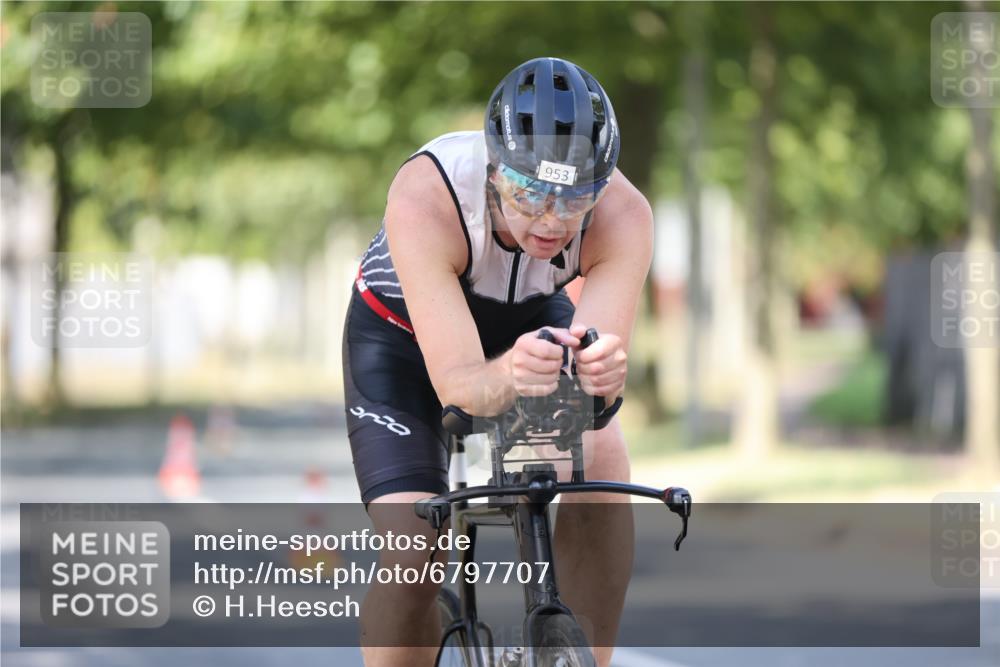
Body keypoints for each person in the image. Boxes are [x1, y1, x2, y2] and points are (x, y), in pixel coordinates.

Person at [342, 57, 652, 667]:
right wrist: (509, 375)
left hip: (531, 322)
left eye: (575, 198)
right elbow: (459, 386)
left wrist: (602, 382)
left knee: (605, 457)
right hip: (400, 340)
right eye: (528, 191)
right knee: (414, 549)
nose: (551, 219)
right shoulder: (426, 195)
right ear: (492, 168)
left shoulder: (622, 215)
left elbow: (598, 391)